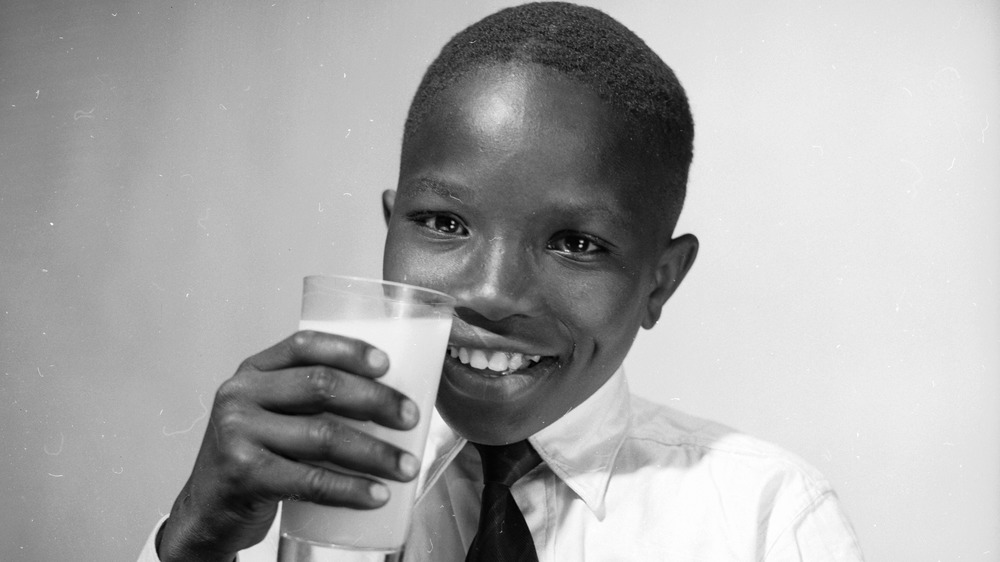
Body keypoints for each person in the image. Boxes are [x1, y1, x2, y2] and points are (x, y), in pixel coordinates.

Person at [139, 3, 864, 560]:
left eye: (576, 243)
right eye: (444, 224)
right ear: (391, 226)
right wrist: (194, 544)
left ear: (660, 282)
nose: (489, 293)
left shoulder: (762, 517)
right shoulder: (279, 489)